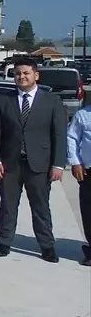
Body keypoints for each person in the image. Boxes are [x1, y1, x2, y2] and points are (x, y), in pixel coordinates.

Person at [0, 57, 66, 261]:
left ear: (36, 75)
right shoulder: (4, 100)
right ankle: (3, 243)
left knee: (40, 207)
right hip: (9, 164)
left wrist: (58, 164)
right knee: (8, 206)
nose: (21, 77)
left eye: (26, 73)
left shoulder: (52, 101)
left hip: (40, 165)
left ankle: (47, 246)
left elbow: (59, 135)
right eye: (17, 74)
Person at [67, 103, 91, 267]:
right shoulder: (82, 114)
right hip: (88, 170)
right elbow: (72, 138)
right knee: (89, 212)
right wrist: (75, 163)